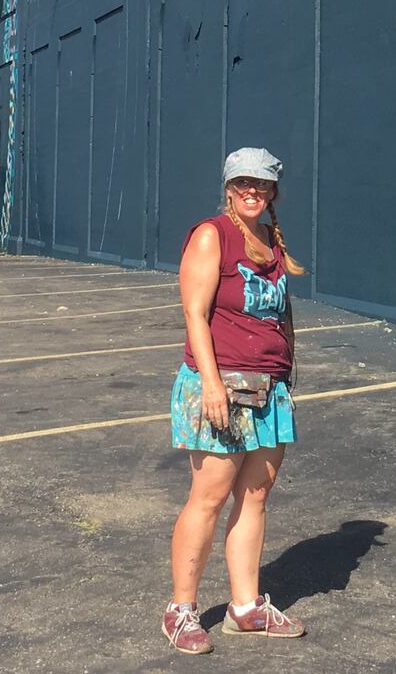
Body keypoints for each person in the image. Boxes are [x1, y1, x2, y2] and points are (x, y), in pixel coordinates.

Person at [163, 147, 307, 655]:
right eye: (244, 182)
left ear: (272, 193)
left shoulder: (269, 240)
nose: (253, 191)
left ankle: (245, 608)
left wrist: (288, 376)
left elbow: (278, 316)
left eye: (262, 184)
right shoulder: (211, 236)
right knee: (209, 497)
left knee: (255, 497)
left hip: (269, 390)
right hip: (219, 385)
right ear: (228, 186)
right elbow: (194, 315)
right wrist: (211, 385)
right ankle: (180, 610)